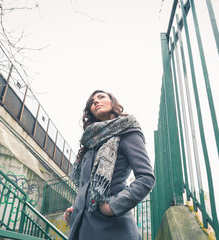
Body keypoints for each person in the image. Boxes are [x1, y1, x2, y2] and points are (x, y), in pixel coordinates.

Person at [63, 90, 155, 240]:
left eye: (101, 97)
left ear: (113, 102)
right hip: (82, 228)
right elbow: (87, 186)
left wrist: (113, 207)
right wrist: (76, 210)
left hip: (113, 229)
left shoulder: (128, 131)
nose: (96, 102)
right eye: (92, 102)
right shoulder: (90, 142)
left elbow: (146, 178)